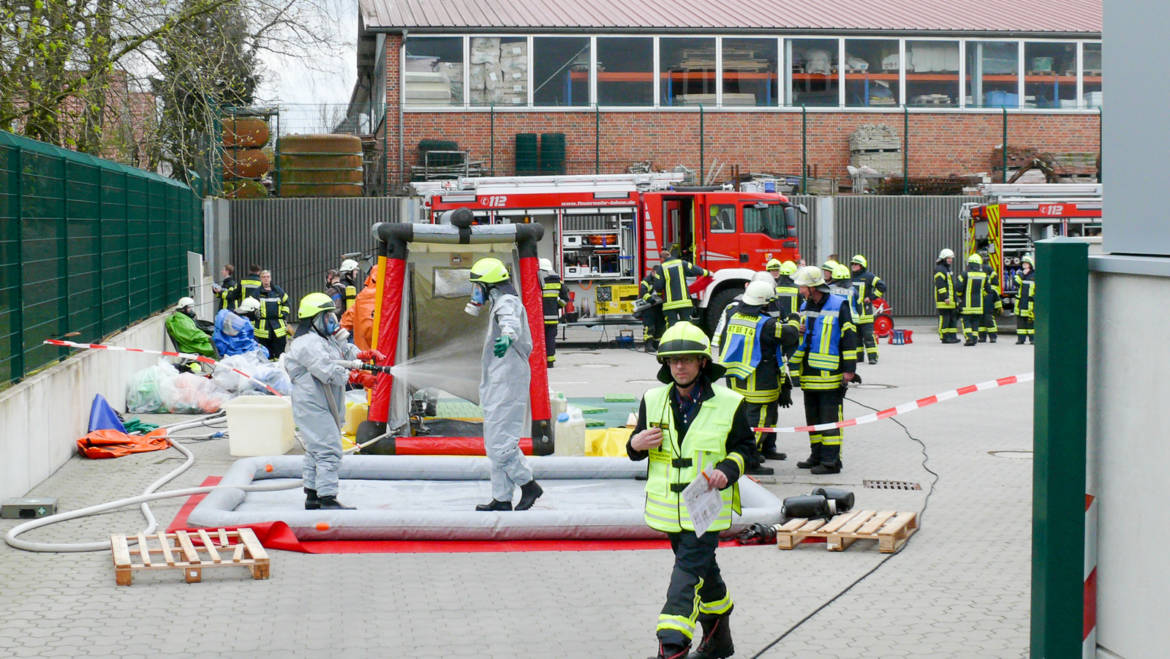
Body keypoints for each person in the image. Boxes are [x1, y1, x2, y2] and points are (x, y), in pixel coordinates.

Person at [626, 321, 753, 659]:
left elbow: (745, 449)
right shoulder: (652, 400)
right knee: (703, 572)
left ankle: (672, 645)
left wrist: (727, 470)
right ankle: (718, 636)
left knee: (684, 581)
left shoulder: (730, 402)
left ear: (702, 362)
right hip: (669, 512)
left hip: (706, 512)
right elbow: (634, 448)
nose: (679, 366)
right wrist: (635, 444)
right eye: (672, 360)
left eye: (686, 359)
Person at [285, 293, 381, 511]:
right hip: (312, 404)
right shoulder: (306, 343)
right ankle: (328, 498)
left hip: (324, 401)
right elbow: (326, 369)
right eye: (327, 316)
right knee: (329, 449)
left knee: (315, 449)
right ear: (314, 319)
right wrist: (357, 377)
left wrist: (363, 355)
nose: (332, 320)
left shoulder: (324, 338)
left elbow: (344, 350)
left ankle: (313, 495)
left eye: (332, 315)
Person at [466, 257, 543, 512]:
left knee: (501, 443)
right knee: (495, 441)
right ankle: (501, 498)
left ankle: (528, 484)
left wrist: (508, 337)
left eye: (477, 285)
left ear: (489, 285)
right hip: (500, 378)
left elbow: (511, 321)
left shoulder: (506, 302)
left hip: (508, 380)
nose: (474, 291)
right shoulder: (499, 301)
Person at [716, 280, 800, 474]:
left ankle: (758, 453)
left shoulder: (734, 315)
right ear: (763, 302)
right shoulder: (767, 324)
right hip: (760, 383)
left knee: (745, 421)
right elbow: (790, 334)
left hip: (737, 379)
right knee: (758, 423)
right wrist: (794, 318)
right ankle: (747, 462)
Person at [790, 266, 858, 475]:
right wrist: (797, 329)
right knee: (813, 419)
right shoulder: (805, 306)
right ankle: (817, 455)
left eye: (802, 286)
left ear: (812, 287)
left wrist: (849, 370)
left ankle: (830, 462)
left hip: (830, 375)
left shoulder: (839, 305)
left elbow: (849, 337)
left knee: (829, 420)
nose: (800, 290)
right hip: (809, 373)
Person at [654, 250, 711, 328]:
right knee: (686, 325)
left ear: (662, 259)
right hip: (684, 303)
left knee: (671, 326)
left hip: (670, 305)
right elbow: (694, 269)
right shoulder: (681, 263)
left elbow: (658, 286)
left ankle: (673, 339)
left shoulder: (662, 267)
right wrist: (708, 273)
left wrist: (660, 295)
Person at [849, 254, 887, 365]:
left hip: (866, 313)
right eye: (853, 264)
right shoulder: (850, 277)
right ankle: (859, 357)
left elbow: (882, 286)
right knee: (856, 338)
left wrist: (871, 298)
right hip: (854, 314)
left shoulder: (869, 276)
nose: (853, 266)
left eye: (856, 264)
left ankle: (872, 357)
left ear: (862, 265)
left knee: (868, 336)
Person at [252, 269, 290, 359]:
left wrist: (283, 313)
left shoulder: (278, 291)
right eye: (264, 277)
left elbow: (286, 303)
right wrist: (255, 313)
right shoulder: (256, 293)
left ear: (270, 278)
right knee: (265, 355)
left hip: (278, 328)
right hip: (263, 330)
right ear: (260, 279)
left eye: (268, 277)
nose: (266, 279)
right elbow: (251, 306)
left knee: (280, 354)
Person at [956, 253, 992, 347]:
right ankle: (975, 338)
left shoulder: (964, 274)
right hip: (978, 305)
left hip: (967, 304)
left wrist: (960, 296)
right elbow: (988, 290)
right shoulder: (984, 275)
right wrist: (981, 295)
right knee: (976, 322)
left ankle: (969, 338)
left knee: (966, 321)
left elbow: (959, 288)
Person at [539, 258, 568, 368]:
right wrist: (557, 306)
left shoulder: (538, 281)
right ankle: (550, 361)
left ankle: (540, 360)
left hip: (540, 317)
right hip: (553, 317)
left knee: (540, 339)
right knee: (550, 339)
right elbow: (565, 300)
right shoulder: (558, 282)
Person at [340, 268, 378, 352]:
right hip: (388, 357)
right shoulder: (392, 297)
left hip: (363, 357)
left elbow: (344, 323)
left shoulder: (361, 297)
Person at [934, 249, 960, 343]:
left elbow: (951, 285)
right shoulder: (939, 269)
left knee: (952, 318)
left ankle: (952, 336)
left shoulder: (947, 269)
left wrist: (955, 298)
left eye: (951, 258)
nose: (950, 260)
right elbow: (940, 285)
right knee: (945, 318)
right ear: (943, 258)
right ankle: (944, 337)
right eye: (948, 258)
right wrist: (945, 297)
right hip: (944, 300)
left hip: (951, 299)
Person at [637, 268, 665, 352]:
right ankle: (648, 345)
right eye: (656, 273)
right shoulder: (646, 280)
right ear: (652, 272)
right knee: (649, 327)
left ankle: (657, 345)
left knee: (660, 326)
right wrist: (650, 299)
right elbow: (643, 292)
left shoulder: (660, 280)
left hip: (658, 306)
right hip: (648, 307)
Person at [979, 250, 1002, 343]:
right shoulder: (979, 269)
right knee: (981, 318)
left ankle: (993, 336)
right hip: (981, 296)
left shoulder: (989, 269)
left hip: (987, 297)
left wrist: (988, 291)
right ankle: (982, 337)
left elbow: (995, 285)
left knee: (988, 317)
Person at [1014, 255, 1036, 344]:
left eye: (1026, 264)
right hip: (1021, 302)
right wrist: (1021, 275)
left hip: (1030, 302)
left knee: (1030, 321)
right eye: (1023, 264)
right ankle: (1021, 339)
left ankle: (1032, 339)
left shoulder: (1035, 275)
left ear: (1030, 265)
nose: (1024, 265)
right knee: (1020, 322)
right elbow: (1016, 284)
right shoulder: (1019, 274)